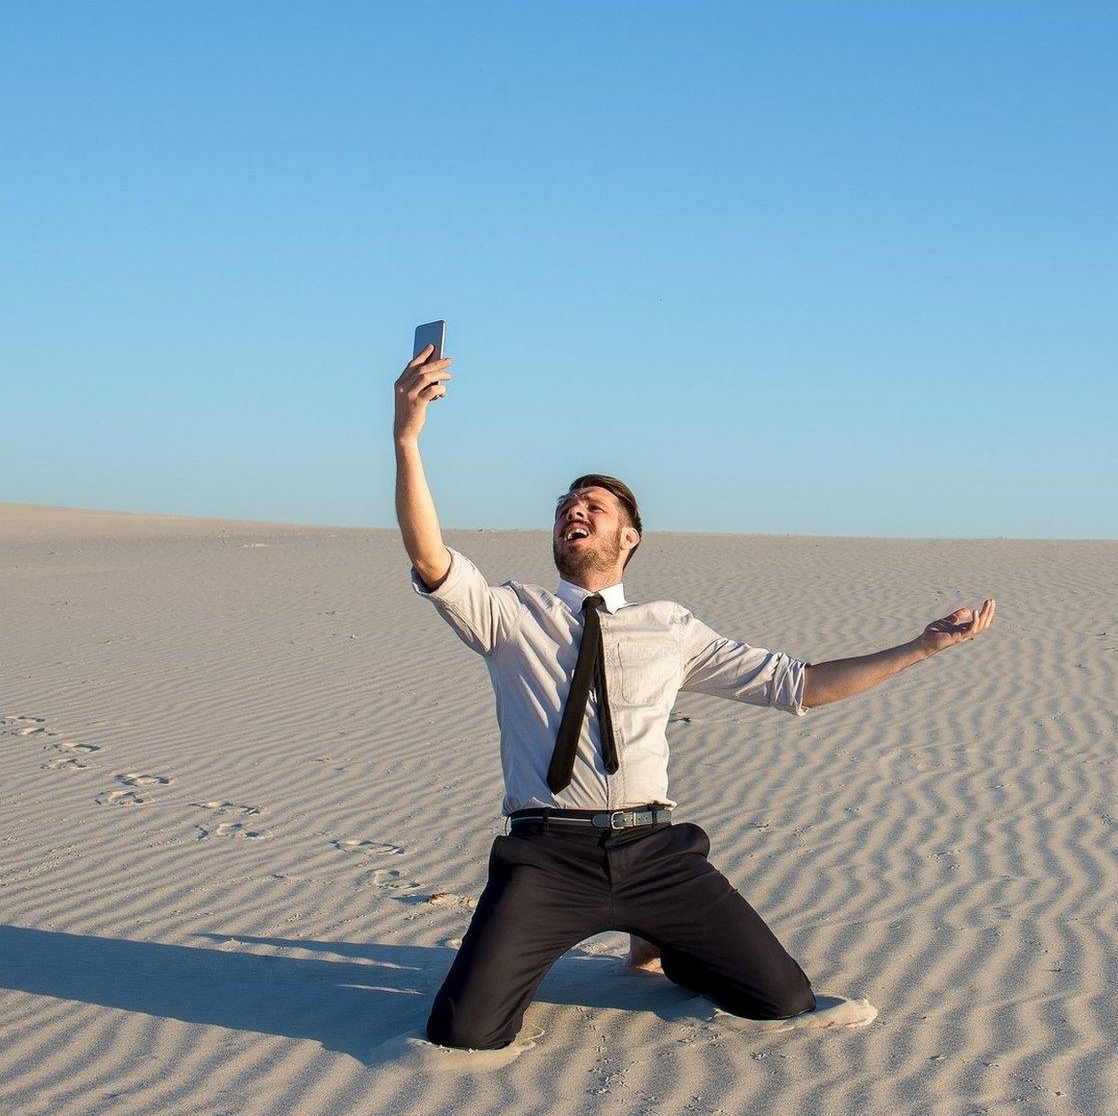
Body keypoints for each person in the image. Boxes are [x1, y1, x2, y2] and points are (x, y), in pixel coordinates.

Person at [391, 342, 996, 1049]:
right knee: (463, 1034)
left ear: (630, 534)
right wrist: (407, 437)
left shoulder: (670, 628)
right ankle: (633, 935)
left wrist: (919, 648)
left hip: (656, 855)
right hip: (547, 859)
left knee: (782, 1000)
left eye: (592, 502)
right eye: (564, 504)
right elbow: (431, 557)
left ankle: (665, 937)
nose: (572, 510)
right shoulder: (508, 614)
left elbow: (797, 685)